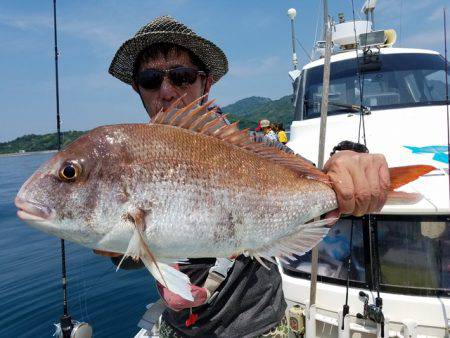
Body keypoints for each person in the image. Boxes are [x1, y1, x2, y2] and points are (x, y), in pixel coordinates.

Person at [107, 15, 390, 337]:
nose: (167, 91)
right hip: (178, 328)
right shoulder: (131, 160)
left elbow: (317, 179)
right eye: (150, 79)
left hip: (260, 327)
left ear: (206, 83)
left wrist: (346, 159)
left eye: (182, 76)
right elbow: (126, 256)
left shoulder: (253, 147)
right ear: (137, 88)